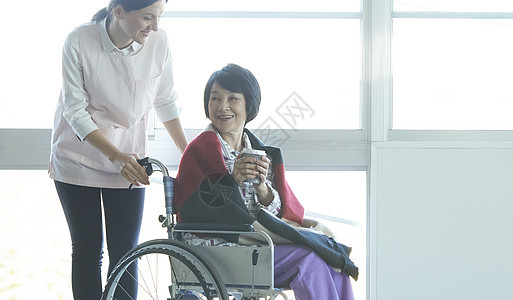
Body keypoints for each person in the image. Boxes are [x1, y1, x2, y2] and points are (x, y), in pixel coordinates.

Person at [174, 63, 357, 300]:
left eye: (233, 98)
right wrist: (232, 180)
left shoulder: (260, 152)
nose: (223, 107)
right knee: (309, 260)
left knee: (334, 260)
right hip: (219, 247)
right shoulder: (199, 150)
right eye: (215, 98)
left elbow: (282, 213)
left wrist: (263, 189)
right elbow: (196, 209)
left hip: (259, 243)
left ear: (249, 104)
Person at [48, 0, 187, 299]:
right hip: (78, 157)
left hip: (130, 160)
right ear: (119, 11)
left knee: (126, 253)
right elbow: (75, 111)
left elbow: (165, 101)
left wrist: (187, 154)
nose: (156, 26)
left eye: (160, 17)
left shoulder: (159, 42)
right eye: (148, 17)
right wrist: (114, 155)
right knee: (87, 249)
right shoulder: (79, 40)